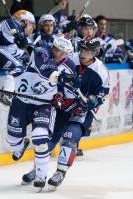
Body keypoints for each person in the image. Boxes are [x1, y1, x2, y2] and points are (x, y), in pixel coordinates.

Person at [7, 36, 75, 191]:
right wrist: (60, 76)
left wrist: (60, 95)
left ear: (68, 54)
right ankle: (20, 144)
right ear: (53, 46)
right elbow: (43, 69)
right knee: (12, 141)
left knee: (40, 137)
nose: (58, 54)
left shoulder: (70, 66)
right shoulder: (42, 50)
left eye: (63, 52)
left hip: (43, 103)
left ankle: (40, 176)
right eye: (57, 49)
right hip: (22, 99)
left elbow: (67, 89)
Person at [47, 36, 110, 190]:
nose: (83, 53)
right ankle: (38, 170)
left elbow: (104, 93)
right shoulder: (70, 58)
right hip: (63, 105)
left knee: (70, 137)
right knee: (50, 138)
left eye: (88, 51)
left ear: (95, 52)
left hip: (81, 110)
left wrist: (95, 100)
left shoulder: (101, 71)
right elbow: (55, 72)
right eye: (82, 49)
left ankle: (60, 172)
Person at [0, 10, 36, 106]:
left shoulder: (27, 40)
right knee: (17, 67)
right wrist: (19, 36)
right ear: (24, 22)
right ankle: (6, 94)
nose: (33, 28)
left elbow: (32, 56)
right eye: (32, 24)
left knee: (22, 68)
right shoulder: (10, 24)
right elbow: (8, 23)